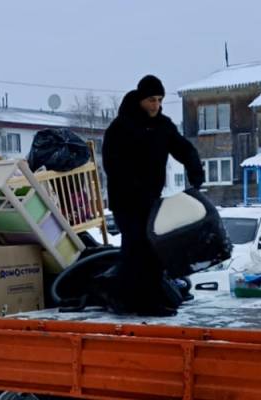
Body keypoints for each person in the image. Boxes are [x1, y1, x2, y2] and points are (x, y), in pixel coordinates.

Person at [102, 75, 205, 316]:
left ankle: (134, 297)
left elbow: (184, 148)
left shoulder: (163, 126)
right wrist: (134, 188)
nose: (156, 105)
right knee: (137, 247)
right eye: (151, 100)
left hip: (150, 199)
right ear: (140, 99)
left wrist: (195, 171)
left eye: (159, 100)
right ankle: (140, 301)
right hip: (126, 200)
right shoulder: (121, 127)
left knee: (152, 248)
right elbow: (112, 165)